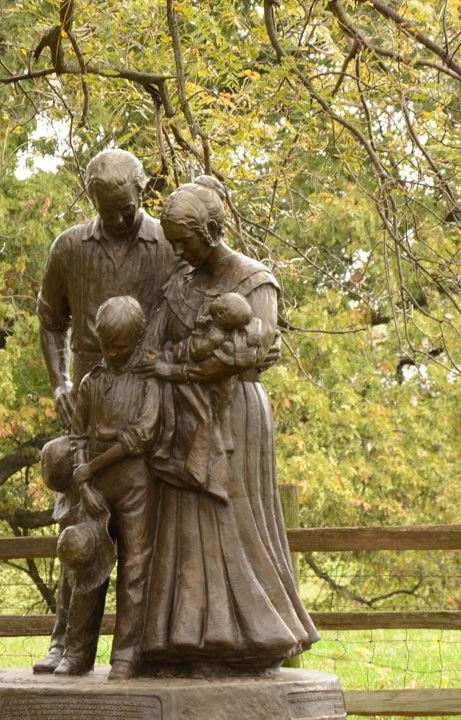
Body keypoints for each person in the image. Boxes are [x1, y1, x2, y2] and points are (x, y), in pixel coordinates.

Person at [135, 177, 318, 674]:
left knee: (232, 524)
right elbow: (152, 344)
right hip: (182, 415)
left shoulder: (253, 281)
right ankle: (183, 640)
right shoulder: (179, 282)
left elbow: (252, 352)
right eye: (172, 241)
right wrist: (181, 363)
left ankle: (252, 639)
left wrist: (190, 363)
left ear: (212, 231)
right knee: (183, 531)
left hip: (234, 414)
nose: (177, 250)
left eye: (185, 241)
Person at [33, 149, 176, 673]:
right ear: (91, 198)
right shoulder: (69, 248)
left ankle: (142, 648)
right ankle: (67, 643)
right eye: (106, 209)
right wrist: (61, 383)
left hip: (146, 404)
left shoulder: (166, 242)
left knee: (145, 542)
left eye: (126, 208)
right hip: (89, 407)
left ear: (143, 193)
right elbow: (50, 320)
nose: (116, 218)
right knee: (80, 529)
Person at [54, 296, 160, 680]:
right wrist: (84, 480)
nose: (111, 353)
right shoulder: (91, 382)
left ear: (137, 338)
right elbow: (78, 433)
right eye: (105, 345)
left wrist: (90, 468)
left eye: (119, 346)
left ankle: (127, 656)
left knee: (134, 570)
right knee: (85, 559)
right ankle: (77, 652)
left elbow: (141, 436)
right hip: (95, 488)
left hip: (135, 486)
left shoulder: (149, 383)